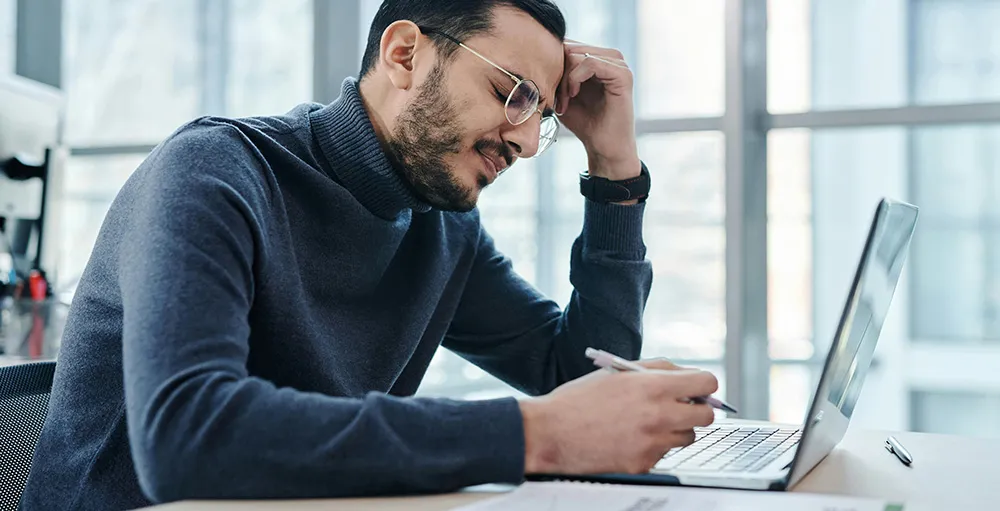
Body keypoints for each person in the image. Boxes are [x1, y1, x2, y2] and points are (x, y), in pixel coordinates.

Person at [21, 1, 719, 509]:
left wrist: (614, 169)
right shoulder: (214, 173)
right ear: (404, 53)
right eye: (512, 95)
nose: (529, 142)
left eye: (543, 119)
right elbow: (188, 435)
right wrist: (533, 433)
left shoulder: (440, 227)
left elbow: (577, 368)